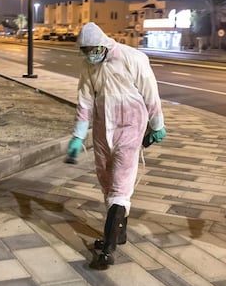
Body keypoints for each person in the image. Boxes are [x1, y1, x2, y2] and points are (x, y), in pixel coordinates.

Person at [66, 22, 166, 267]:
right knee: (107, 181)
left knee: (121, 185)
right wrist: (79, 135)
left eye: (92, 49)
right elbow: (85, 102)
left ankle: (108, 248)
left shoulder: (132, 58)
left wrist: (157, 124)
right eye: (84, 50)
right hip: (103, 131)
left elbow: (150, 92)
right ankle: (119, 233)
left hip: (130, 128)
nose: (89, 54)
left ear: (102, 44)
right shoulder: (89, 67)